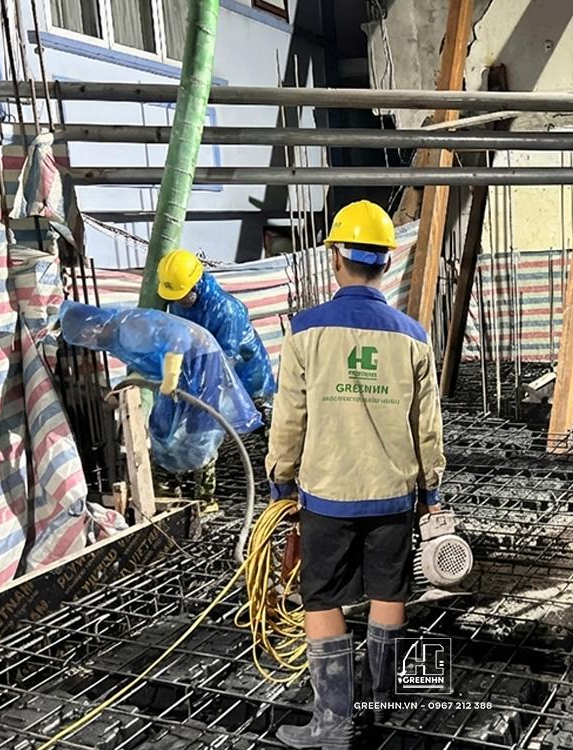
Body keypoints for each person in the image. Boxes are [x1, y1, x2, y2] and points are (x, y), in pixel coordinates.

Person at [265, 200, 446, 750]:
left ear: (336, 258)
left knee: (322, 599)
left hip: (328, 496)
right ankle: (382, 703)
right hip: (393, 496)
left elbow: (289, 418)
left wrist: (281, 482)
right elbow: (427, 427)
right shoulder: (413, 335)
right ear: (386, 262)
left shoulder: (305, 331)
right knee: (390, 590)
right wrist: (430, 491)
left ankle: (334, 723)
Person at [154, 249, 276, 504]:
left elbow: (225, 358)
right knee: (196, 426)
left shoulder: (226, 309)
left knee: (265, 429)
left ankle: (277, 483)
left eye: (182, 295)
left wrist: (203, 396)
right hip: (201, 370)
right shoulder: (177, 301)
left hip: (246, 376)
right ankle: (201, 493)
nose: (179, 301)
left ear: (196, 284)